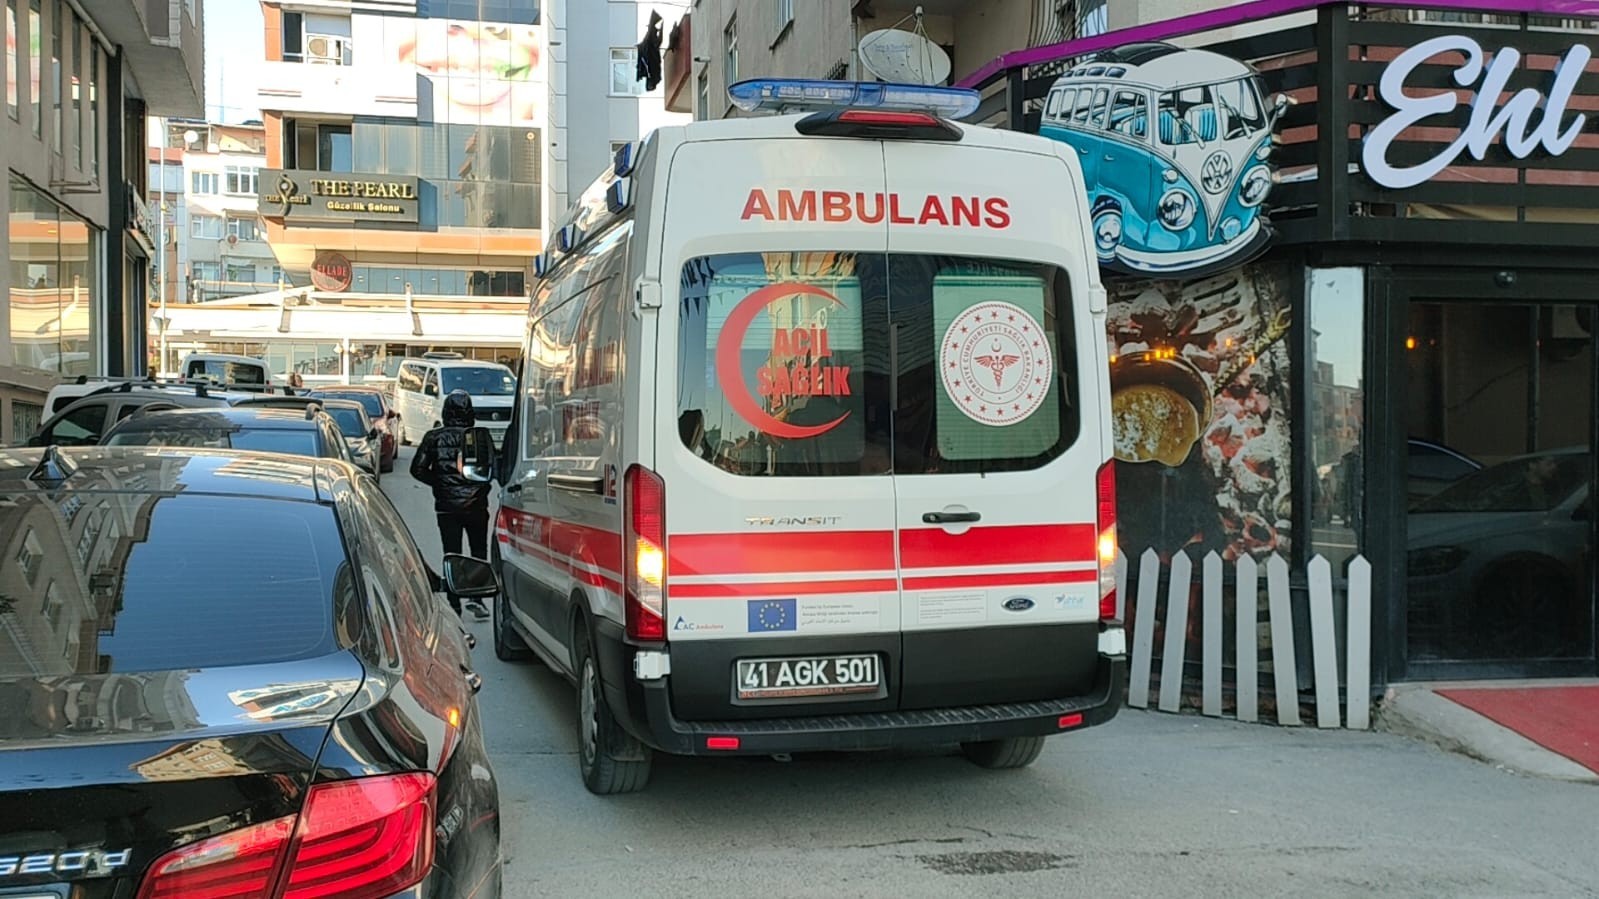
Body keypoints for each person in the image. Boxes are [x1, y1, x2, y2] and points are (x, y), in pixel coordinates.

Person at [410, 389, 492, 620]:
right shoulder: (479, 436)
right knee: (478, 552)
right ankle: (476, 597)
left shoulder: (433, 437)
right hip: (476, 505)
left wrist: (439, 484)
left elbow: (416, 469)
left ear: (445, 411)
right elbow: (490, 468)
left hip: (447, 507)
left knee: (452, 552)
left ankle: (454, 603)